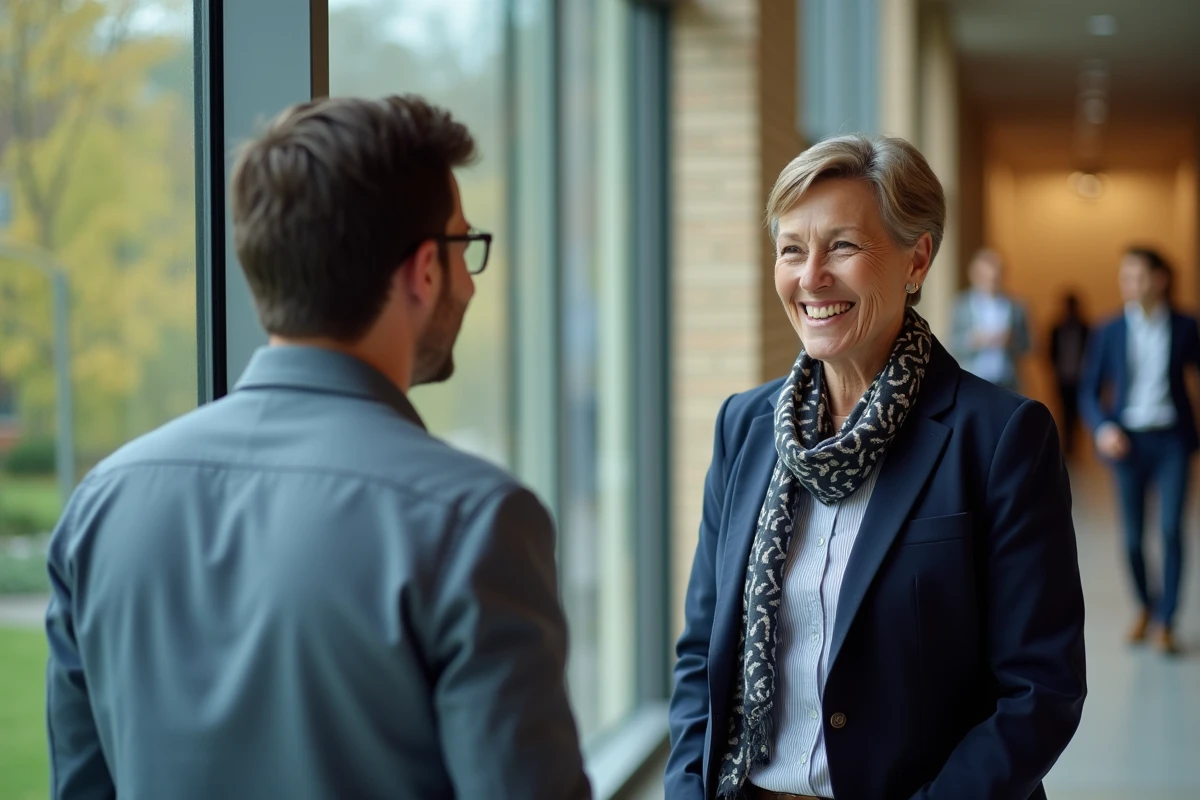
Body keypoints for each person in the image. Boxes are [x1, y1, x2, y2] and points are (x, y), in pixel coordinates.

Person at [44, 96, 591, 800]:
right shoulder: (473, 521)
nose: (471, 278)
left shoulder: (101, 504)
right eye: (463, 246)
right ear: (424, 270)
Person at [665, 135, 1085, 800]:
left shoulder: (1001, 436)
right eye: (791, 249)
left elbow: (1041, 690)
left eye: (843, 246)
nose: (810, 277)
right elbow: (700, 655)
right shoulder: (744, 427)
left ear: (916, 259)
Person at [1080, 246, 1200, 656]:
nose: (1130, 284)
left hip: (1172, 441)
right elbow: (1089, 392)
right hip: (1127, 443)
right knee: (1132, 538)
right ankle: (1146, 608)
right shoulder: (1109, 330)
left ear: (1160, 279)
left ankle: (1167, 620)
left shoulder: (1186, 326)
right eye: (1125, 276)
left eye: (1138, 276)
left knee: (1169, 530)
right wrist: (1102, 427)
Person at [950, 248, 1031, 393]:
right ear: (975, 276)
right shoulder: (962, 305)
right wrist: (973, 340)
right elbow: (951, 343)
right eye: (985, 278)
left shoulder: (1017, 306)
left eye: (996, 278)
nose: (991, 282)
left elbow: (1029, 345)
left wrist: (1011, 340)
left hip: (1008, 382)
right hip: (974, 381)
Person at [1048, 292, 1090, 455]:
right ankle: (1066, 447)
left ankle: (1074, 449)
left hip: (1080, 378)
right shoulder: (1057, 328)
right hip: (1062, 377)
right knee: (1063, 413)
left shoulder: (1085, 328)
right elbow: (1050, 353)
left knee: (1076, 415)